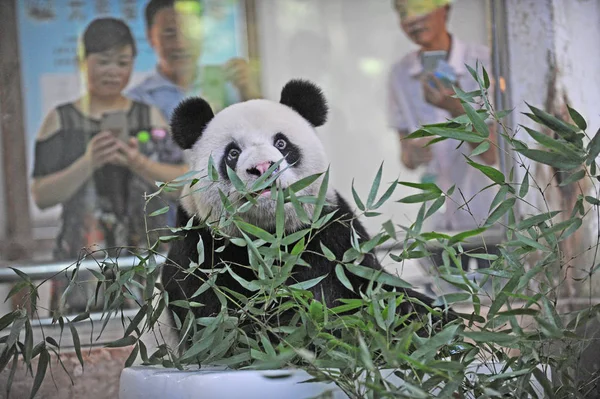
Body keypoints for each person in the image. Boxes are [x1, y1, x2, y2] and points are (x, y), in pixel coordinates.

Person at [31, 17, 187, 311]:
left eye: (123, 63)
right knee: (84, 334)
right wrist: (88, 162)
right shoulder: (60, 120)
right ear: (83, 61)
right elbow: (41, 196)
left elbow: (181, 184)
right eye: (104, 62)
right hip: (82, 253)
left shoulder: (148, 116)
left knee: (149, 329)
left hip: (143, 250)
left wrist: (138, 162)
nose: (114, 72)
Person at [388, 0, 500, 273]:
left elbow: (492, 153)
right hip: (435, 221)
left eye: (419, 8)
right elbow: (407, 158)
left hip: (489, 216)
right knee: (443, 305)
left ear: (445, 9)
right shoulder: (400, 75)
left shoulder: (485, 62)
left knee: (495, 299)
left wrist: (457, 109)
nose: (412, 20)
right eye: (403, 12)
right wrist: (414, 152)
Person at [126, 0, 261, 122]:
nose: (181, 44)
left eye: (189, 31)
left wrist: (249, 92)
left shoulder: (231, 84)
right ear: (150, 36)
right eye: (170, 33)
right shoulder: (136, 99)